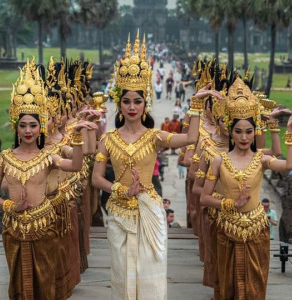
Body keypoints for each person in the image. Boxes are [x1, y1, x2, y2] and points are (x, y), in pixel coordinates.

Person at [93, 31, 220, 300]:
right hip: (118, 210)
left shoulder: (155, 137)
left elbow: (190, 137)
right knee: (121, 271)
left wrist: (196, 105)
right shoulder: (108, 139)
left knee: (150, 269)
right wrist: (119, 190)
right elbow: (96, 179)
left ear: (145, 103)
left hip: (149, 209)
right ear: (119, 101)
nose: (131, 106)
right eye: (126, 101)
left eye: (137, 101)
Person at [0, 59, 97, 300]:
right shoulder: (4, 158)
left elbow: (76, 165)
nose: (27, 130)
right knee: (17, 283)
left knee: (45, 281)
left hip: (45, 226)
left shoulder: (48, 156)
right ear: (15, 127)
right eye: (22, 125)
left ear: (40, 127)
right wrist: (11, 206)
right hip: (13, 227)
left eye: (33, 125)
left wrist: (77, 136)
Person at [200, 74, 292, 299]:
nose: (244, 137)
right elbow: (204, 198)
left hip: (256, 230)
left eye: (249, 132)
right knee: (227, 285)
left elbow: (290, 165)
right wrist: (230, 203)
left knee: (255, 286)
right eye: (238, 131)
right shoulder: (220, 160)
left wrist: (287, 131)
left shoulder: (260, 159)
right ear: (230, 131)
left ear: (254, 133)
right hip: (226, 229)